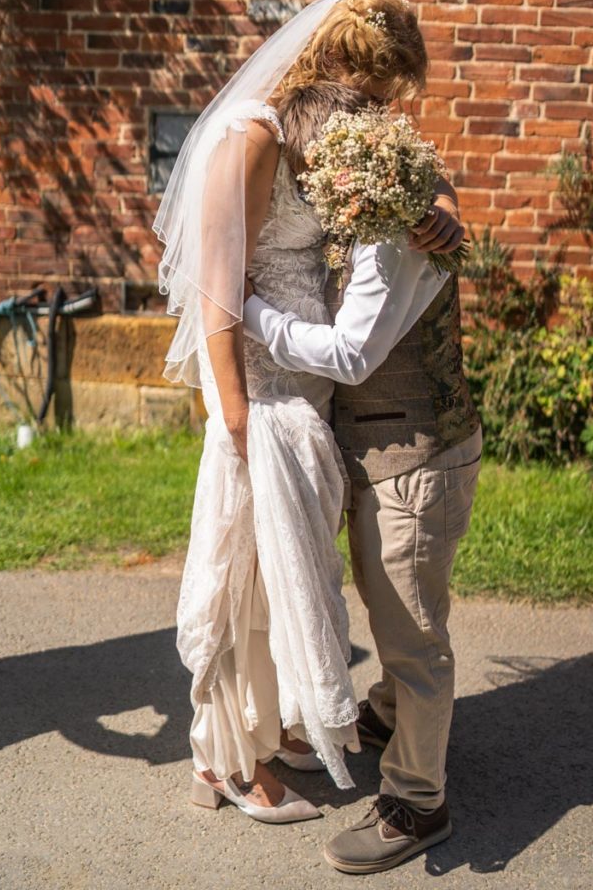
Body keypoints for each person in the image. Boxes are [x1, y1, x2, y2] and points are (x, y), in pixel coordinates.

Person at [152, 0, 464, 826]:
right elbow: (214, 291)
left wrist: (436, 203)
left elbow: (416, 181)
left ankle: (267, 726)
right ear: (335, 72)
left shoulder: (325, 140)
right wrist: (237, 415)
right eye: (371, 99)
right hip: (263, 389)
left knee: (290, 572)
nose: (375, 118)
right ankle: (226, 762)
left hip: (310, 385)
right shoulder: (251, 137)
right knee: (243, 577)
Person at [243, 81, 482, 871]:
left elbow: (351, 354)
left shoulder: (391, 232)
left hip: (415, 462)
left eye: (311, 178)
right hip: (390, 455)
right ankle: (389, 714)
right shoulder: (387, 213)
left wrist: (253, 315)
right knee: (397, 615)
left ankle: (417, 801)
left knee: (413, 638)